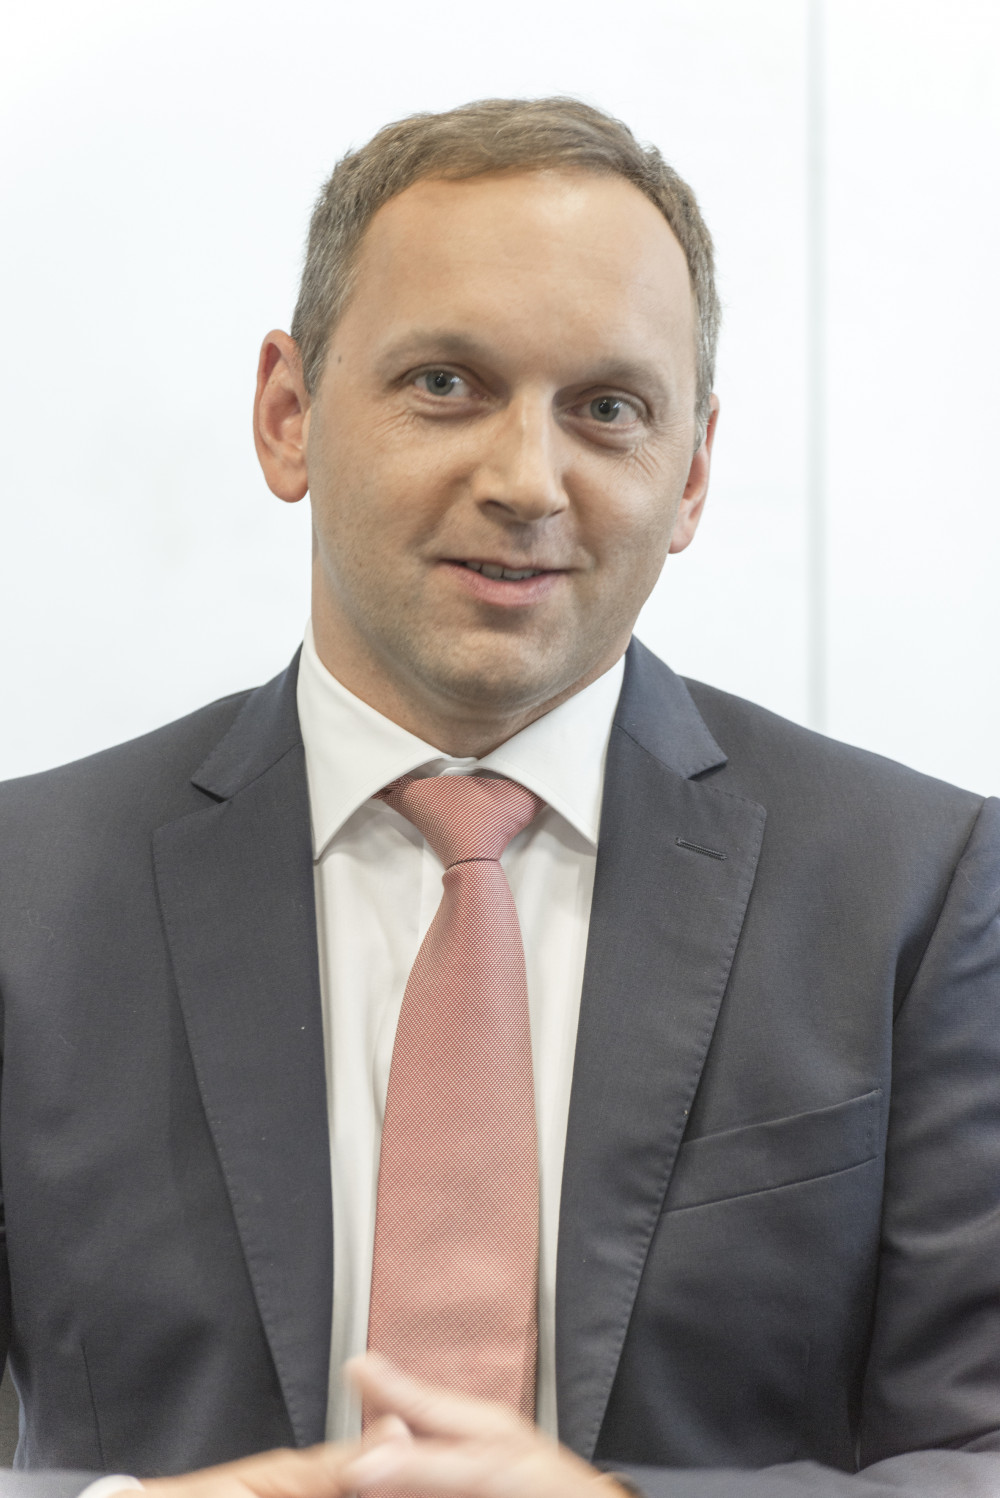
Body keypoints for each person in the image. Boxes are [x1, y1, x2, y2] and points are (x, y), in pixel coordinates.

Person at [0, 97, 997, 1498]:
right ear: (288, 415)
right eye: (446, 384)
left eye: (608, 409)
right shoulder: (28, 893)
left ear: (693, 472)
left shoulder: (918, 889)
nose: (528, 481)